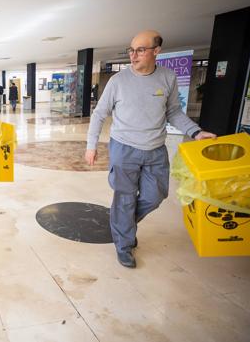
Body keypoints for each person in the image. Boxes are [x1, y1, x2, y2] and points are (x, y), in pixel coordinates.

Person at [85, 30, 216, 269]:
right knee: (124, 199)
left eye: (140, 50)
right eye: (131, 50)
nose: (133, 56)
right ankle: (124, 245)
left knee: (156, 196)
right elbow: (99, 114)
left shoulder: (168, 77)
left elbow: (174, 112)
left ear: (156, 51)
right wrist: (91, 145)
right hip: (124, 148)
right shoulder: (118, 81)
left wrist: (196, 132)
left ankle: (123, 224)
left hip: (155, 149)